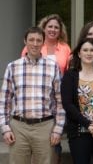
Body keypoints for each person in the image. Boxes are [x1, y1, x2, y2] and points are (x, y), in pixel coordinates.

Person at [0, 26, 65, 164]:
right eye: (31, 40)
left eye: (38, 40)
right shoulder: (12, 67)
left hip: (45, 126)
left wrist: (58, 129)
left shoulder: (53, 67)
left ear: (43, 43)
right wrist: (5, 128)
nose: (35, 44)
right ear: (25, 41)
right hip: (19, 126)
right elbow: (4, 101)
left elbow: (60, 101)